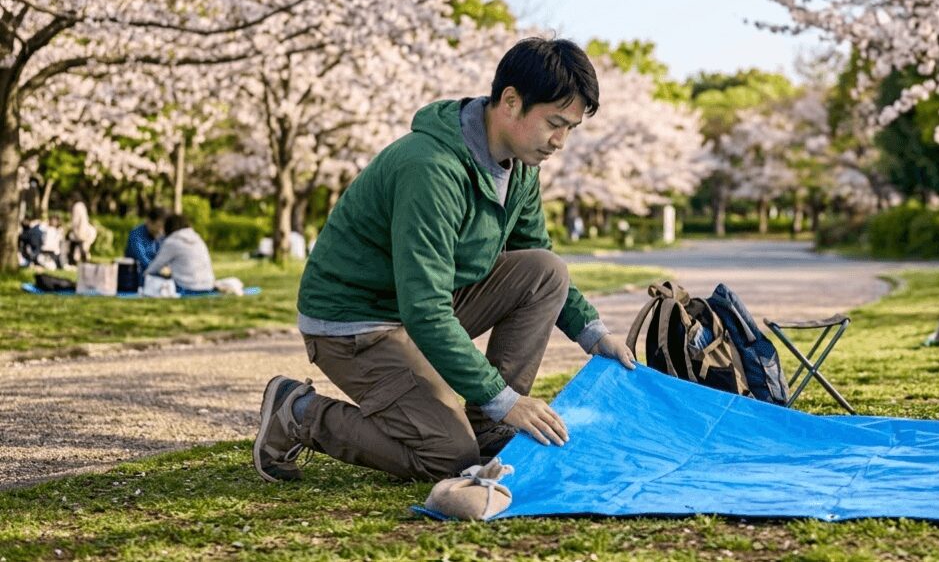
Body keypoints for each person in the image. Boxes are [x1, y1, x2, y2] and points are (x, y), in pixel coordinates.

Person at [253, 37, 636, 485]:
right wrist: (504, 396)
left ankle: (490, 427)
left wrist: (594, 335)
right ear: (510, 101)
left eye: (570, 128)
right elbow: (425, 308)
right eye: (555, 123)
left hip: (413, 309)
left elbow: (537, 256)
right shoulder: (430, 168)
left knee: (544, 271)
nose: (561, 142)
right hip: (355, 325)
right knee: (448, 457)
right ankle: (296, 411)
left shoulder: (521, 167)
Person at [144, 214, 216, 293]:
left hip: (187, 287)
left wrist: (144, 275)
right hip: (208, 286)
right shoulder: (198, 239)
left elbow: (155, 266)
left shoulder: (172, 242)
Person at [124, 208, 167, 284]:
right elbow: (143, 259)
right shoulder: (136, 235)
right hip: (136, 279)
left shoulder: (162, 236)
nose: (161, 231)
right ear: (149, 222)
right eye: (158, 226)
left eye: (163, 227)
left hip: (158, 280)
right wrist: (161, 270)